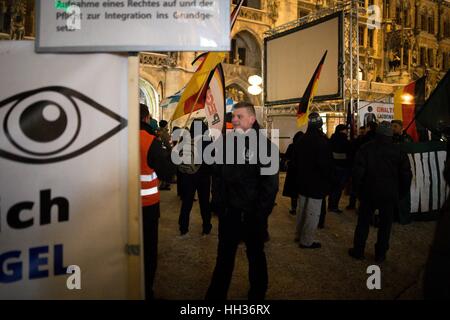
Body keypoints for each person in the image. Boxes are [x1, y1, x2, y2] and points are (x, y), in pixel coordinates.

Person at [206, 102, 279, 300]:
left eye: (239, 116)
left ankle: (257, 295)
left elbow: (270, 186)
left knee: (255, 255)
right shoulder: (225, 142)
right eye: (233, 116)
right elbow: (217, 174)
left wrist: (259, 215)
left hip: (252, 215)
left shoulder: (266, 146)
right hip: (229, 213)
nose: (234, 120)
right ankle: (215, 296)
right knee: (224, 257)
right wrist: (218, 203)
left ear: (252, 119)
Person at [349, 121, 412, 263]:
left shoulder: (365, 149)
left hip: (368, 193)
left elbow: (357, 173)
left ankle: (358, 251)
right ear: (390, 134)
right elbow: (406, 175)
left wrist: (357, 192)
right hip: (389, 195)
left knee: (363, 223)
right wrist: (400, 193)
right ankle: (380, 254)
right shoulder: (399, 151)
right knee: (385, 226)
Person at [139, 103, 174, 300]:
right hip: (147, 206)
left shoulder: (117, 138)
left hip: (120, 205)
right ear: (146, 119)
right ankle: (145, 289)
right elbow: (167, 173)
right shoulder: (149, 140)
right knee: (148, 250)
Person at [293, 112, 334, 249]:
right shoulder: (322, 141)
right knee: (313, 212)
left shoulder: (302, 140)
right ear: (320, 125)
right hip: (317, 183)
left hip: (302, 181)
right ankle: (307, 241)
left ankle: (298, 235)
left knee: (301, 209)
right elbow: (325, 165)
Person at [177, 119, 213, 236]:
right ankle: (206, 226)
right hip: (203, 176)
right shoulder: (207, 139)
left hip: (188, 176)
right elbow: (211, 159)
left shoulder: (185, 138)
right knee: (204, 203)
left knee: (187, 202)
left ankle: (183, 227)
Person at [328, 124, 352, 213]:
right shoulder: (345, 141)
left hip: (332, 167)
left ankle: (330, 205)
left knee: (333, 187)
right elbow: (349, 154)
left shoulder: (332, 140)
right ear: (342, 130)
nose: (347, 131)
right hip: (342, 167)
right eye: (346, 130)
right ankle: (334, 207)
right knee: (338, 188)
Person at [282, 131, 304, 215]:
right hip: (302, 172)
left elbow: (286, 157)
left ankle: (294, 208)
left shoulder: (292, 146)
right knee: (301, 191)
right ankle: (301, 209)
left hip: (293, 172)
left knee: (293, 192)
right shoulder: (305, 147)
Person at [347, 126, 366, 210]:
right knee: (356, 187)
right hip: (358, 166)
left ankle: (353, 204)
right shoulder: (361, 141)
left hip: (357, 166)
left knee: (355, 187)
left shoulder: (356, 141)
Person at [158, 120, 172, 191]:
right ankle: (165, 184)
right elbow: (168, 144)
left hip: (161, 152)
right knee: (167, 169)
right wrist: (171, 149)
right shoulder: (165, 133)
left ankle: (163, 183)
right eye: (167, 124)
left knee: (162, 169)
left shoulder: (158, 132)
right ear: (165, 125)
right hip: (166, 153)